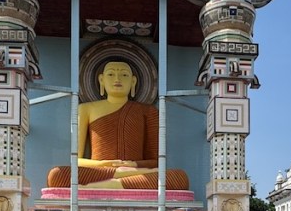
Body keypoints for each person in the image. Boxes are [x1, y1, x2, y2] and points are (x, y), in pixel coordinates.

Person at [46, 60, 190, 190]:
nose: (117, 79)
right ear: (101, 80)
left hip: (135, 171)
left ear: (133, 82)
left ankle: (110, 185)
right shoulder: (86, 109)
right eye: (110, 74)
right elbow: (76, 160)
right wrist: (104, 165)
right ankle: (120, 181)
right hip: (102, 172)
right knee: (57, 175)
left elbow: (156, 162)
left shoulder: (148, 111)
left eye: (124, 75)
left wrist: (133, 166)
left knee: (179, 177)